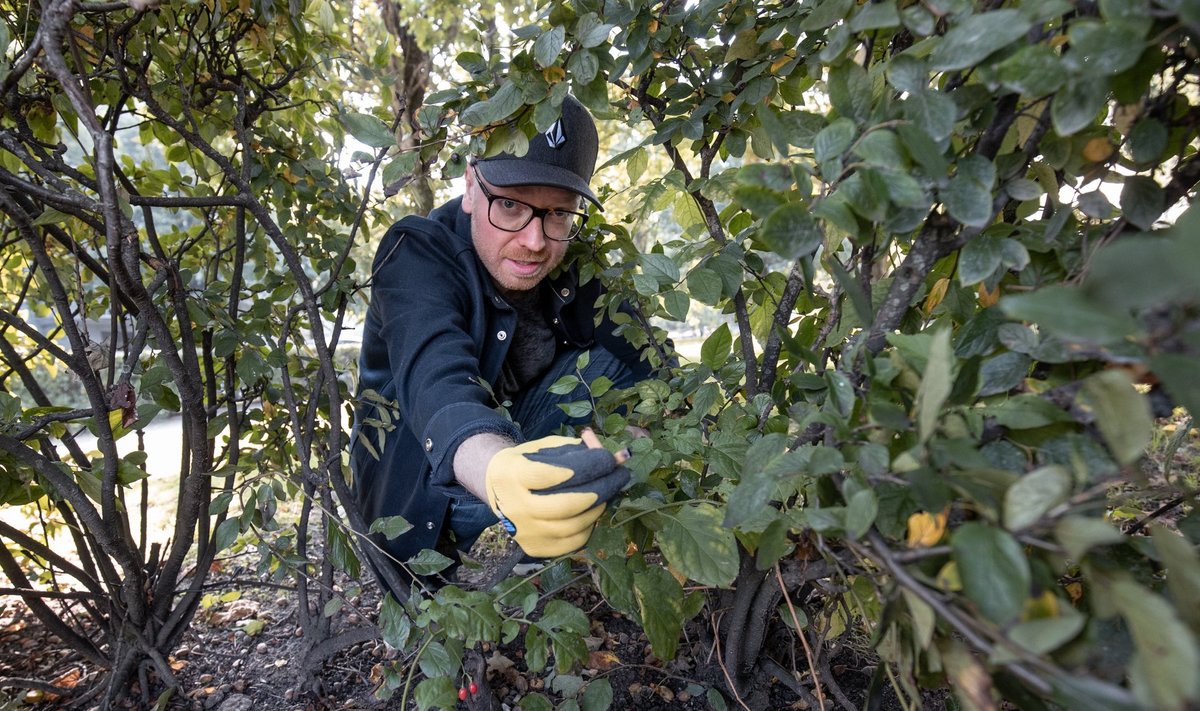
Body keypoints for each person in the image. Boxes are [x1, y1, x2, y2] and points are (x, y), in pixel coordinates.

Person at [350, 95, 658, 588]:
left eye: (558, 213)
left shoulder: (575, 260)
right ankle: (488, 544)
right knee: (571, 486)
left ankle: (571, 505)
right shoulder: (417, 253)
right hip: (421, 487)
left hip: (520, 427)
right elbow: (437, 382)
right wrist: (497, 474)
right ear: (471, 186)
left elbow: (646, 362)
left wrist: (648, 435)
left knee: (615, 359)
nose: (535, 242)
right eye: (510, 205)